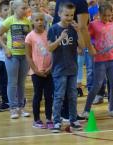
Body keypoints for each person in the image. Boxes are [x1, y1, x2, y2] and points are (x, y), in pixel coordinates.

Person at [47, 2, 85, 133]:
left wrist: (79, 31)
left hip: (72, 68)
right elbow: (50, 48)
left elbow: (82, 48)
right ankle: (56, 122)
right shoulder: (53, 29)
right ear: (59, 14)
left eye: (71, 15)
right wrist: (60, 39)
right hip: (59, 69)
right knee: (59, 96)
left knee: (73, 96)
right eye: (66, 15)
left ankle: (73, 120)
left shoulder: (73, 29)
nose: (69, 18)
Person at [80, 2, 113, 119]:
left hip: (112, 59)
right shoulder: (93, 25)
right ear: (99, 14)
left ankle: (112, 108)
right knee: (97, 85)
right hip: (100, 60)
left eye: (109, 15)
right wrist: (91, 47)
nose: (107, 18)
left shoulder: (112, 24)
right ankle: (86, 110)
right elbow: (87, 37)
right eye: (105, 16)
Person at [0, 0, 32, 119]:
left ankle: (21, 107)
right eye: (23, 8)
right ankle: (13, 108)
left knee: (21, 83)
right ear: (15, 8)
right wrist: (5, 48)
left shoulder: (27, 21)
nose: (26, 10)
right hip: (12, 56)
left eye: (26, 8)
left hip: (24, 56)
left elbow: (30, 38)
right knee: (12, 82)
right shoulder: (9, 20)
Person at [25, 12, 53, 129]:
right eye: (37, 20)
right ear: (32, 22)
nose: (40, 22)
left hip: (48, 72)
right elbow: (28, 56)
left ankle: (48, 118)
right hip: (36, 73)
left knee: (48, 96)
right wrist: (35, 70)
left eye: (42, 20)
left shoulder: (49, 35)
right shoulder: (29, 37)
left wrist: (50, 68)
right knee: (38, 96)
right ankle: (36, 119)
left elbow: (53, 52)